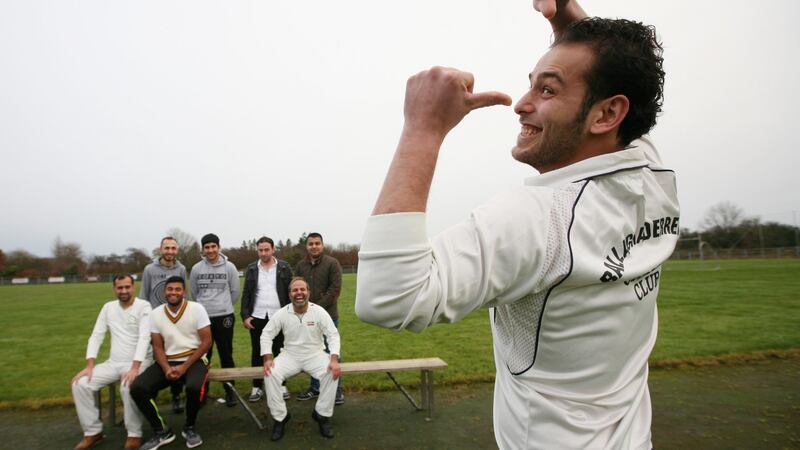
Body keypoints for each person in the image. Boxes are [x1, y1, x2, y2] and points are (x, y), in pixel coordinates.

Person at [354, 1, 679, 448]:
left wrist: (423, 126)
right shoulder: (651, 175)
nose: (521, 104)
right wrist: (565, 15)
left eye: (547, 91)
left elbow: (389, 297)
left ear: (606, 115)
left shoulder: (539, 219)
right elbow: (620, 82)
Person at [71, 274, 153, 450]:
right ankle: (93, 432)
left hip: (140, 362)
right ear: (114, 289)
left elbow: (144, 337)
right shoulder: (108, 307)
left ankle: (134, 434)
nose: (123, 291)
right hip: (113, 363)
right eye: (119, 287)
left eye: (127, 287)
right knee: (80, 383)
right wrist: (89, 365)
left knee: (127, 386)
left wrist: (135, 367)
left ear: (133, 287)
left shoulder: (144, 306)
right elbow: (97, 335)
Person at [130, 276, 212, 450]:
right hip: (167, 361)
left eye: (177, 289)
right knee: (137, 387)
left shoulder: (197, 309)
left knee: (194, 388)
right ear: (164, 292)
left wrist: (183, 367)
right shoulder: (156, 313)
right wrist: (167, 367)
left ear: (184, 292)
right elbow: (158, 347)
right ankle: (161, 431)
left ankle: (190, 427)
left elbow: (206, 342)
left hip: (194, 360)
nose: (173, 292)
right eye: (170, 289)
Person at [261, 277, 341, 441]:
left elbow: (333, 335)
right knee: (270, 373)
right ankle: (280, 418)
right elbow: (266, 334)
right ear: (289, 294)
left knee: (331, 372)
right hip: (290, 355)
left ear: (308, 292)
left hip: (315, 354)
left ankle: (321, 415)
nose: (299, 293)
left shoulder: (319, 311)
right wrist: (268, 358)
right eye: (295, 290)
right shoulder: (282, 313)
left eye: (302, 289)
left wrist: (333, 359)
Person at [189, 233, 240, 406]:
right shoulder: (196, 268)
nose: (210, 250)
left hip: (224, 317)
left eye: (213, 246)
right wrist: (205, 309)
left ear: (218, 247)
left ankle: (230, 392)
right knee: (203, 357)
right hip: (203, 319)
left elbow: (235, 292)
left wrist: (222, 307)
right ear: (203, 249)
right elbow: (194, 293)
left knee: (226, 355)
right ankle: (203, 394)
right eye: (207, 247)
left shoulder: (230, 267)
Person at [240, 236, 293, 402]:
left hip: (280, 316)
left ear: (273, 249)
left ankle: (281, 384)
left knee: (280, 352)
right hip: (258, 316)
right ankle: (257, 387)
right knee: (258, 352)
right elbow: (247, 294)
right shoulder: (251, 268)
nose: (263, 253)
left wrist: (291, 314)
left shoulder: (284, 267)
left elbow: (290, 291)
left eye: (266, 250)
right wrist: (246, 316)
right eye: (260, 250)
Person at [140, 236, 189, 414]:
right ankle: (150, 395)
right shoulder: (150, 269)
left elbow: (185, 295)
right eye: (166, 248)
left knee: (175, 357)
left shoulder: (182, 269)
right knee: (157, 359)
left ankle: (176, 396)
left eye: (173, 248)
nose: (170, 252)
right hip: (156, 322)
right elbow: (144, 297)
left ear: (177, 250)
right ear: (161, 249)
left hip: (177, 322)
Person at [293, 232, 344, 404]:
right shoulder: (301, 266)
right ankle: (315, 388)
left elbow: (335, 290)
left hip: (329, 317)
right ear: (306, 246)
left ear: (322, 245)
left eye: (317, 243)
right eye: (311, 243)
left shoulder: (332, 263)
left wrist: (316, 309)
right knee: (313, 353)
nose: (314, 246)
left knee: (332, 354)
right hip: (307, 320)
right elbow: (298, 289)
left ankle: (336, 391)